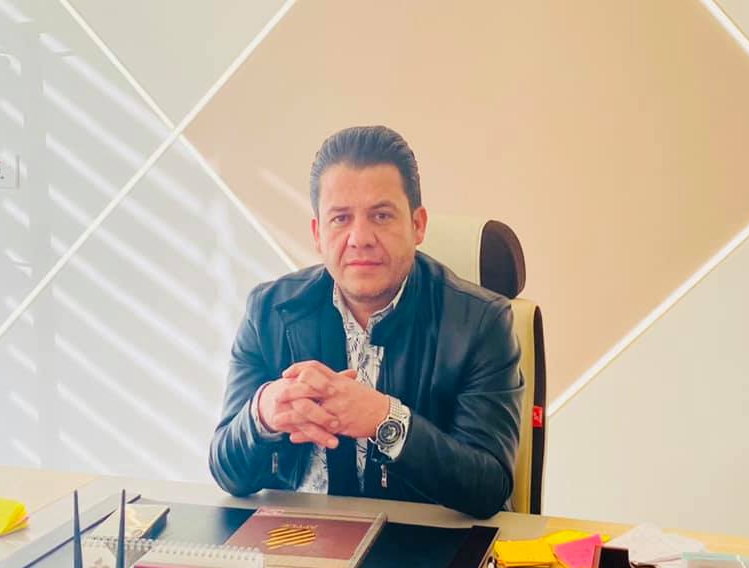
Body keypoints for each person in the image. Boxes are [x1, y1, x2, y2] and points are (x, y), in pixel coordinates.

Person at [209, 126, 523, 519]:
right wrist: (262, 414)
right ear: (318, 234)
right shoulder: (269, 311)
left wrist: (386, 420)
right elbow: (228, 472)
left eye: (381, 215)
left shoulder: (482, 323)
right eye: (340, 218)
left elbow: (489, 487)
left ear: (418, 225)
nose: (360, 237)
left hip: (422, 542)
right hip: (297, 539)